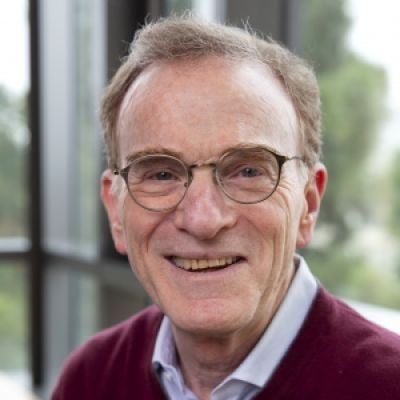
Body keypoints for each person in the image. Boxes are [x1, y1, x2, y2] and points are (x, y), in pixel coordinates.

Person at [52, 16, 400, 400]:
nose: (203, 220)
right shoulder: (91, 379)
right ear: (116, 213)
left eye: (247, 170)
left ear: (308, 204)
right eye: (161, 174)